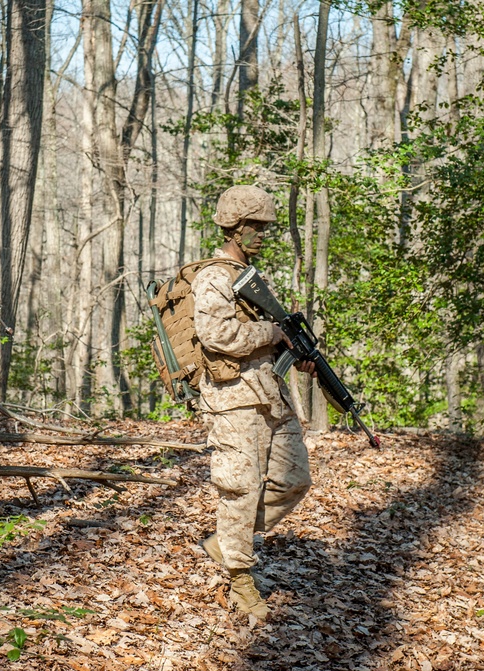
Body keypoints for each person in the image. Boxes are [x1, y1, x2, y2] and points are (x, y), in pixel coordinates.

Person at [192, 185, 314, 620]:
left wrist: (294, 354)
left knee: (295, 478)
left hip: (270, 394)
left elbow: (267, 340)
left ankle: (225, 542)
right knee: (241, 491)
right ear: (234, 227)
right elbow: (218, 336)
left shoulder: (252, 277)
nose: (261, 234)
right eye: (254, 227)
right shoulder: (214, 277)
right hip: (234, 399)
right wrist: (271, 335)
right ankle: (241, 579)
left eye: (264, 227)